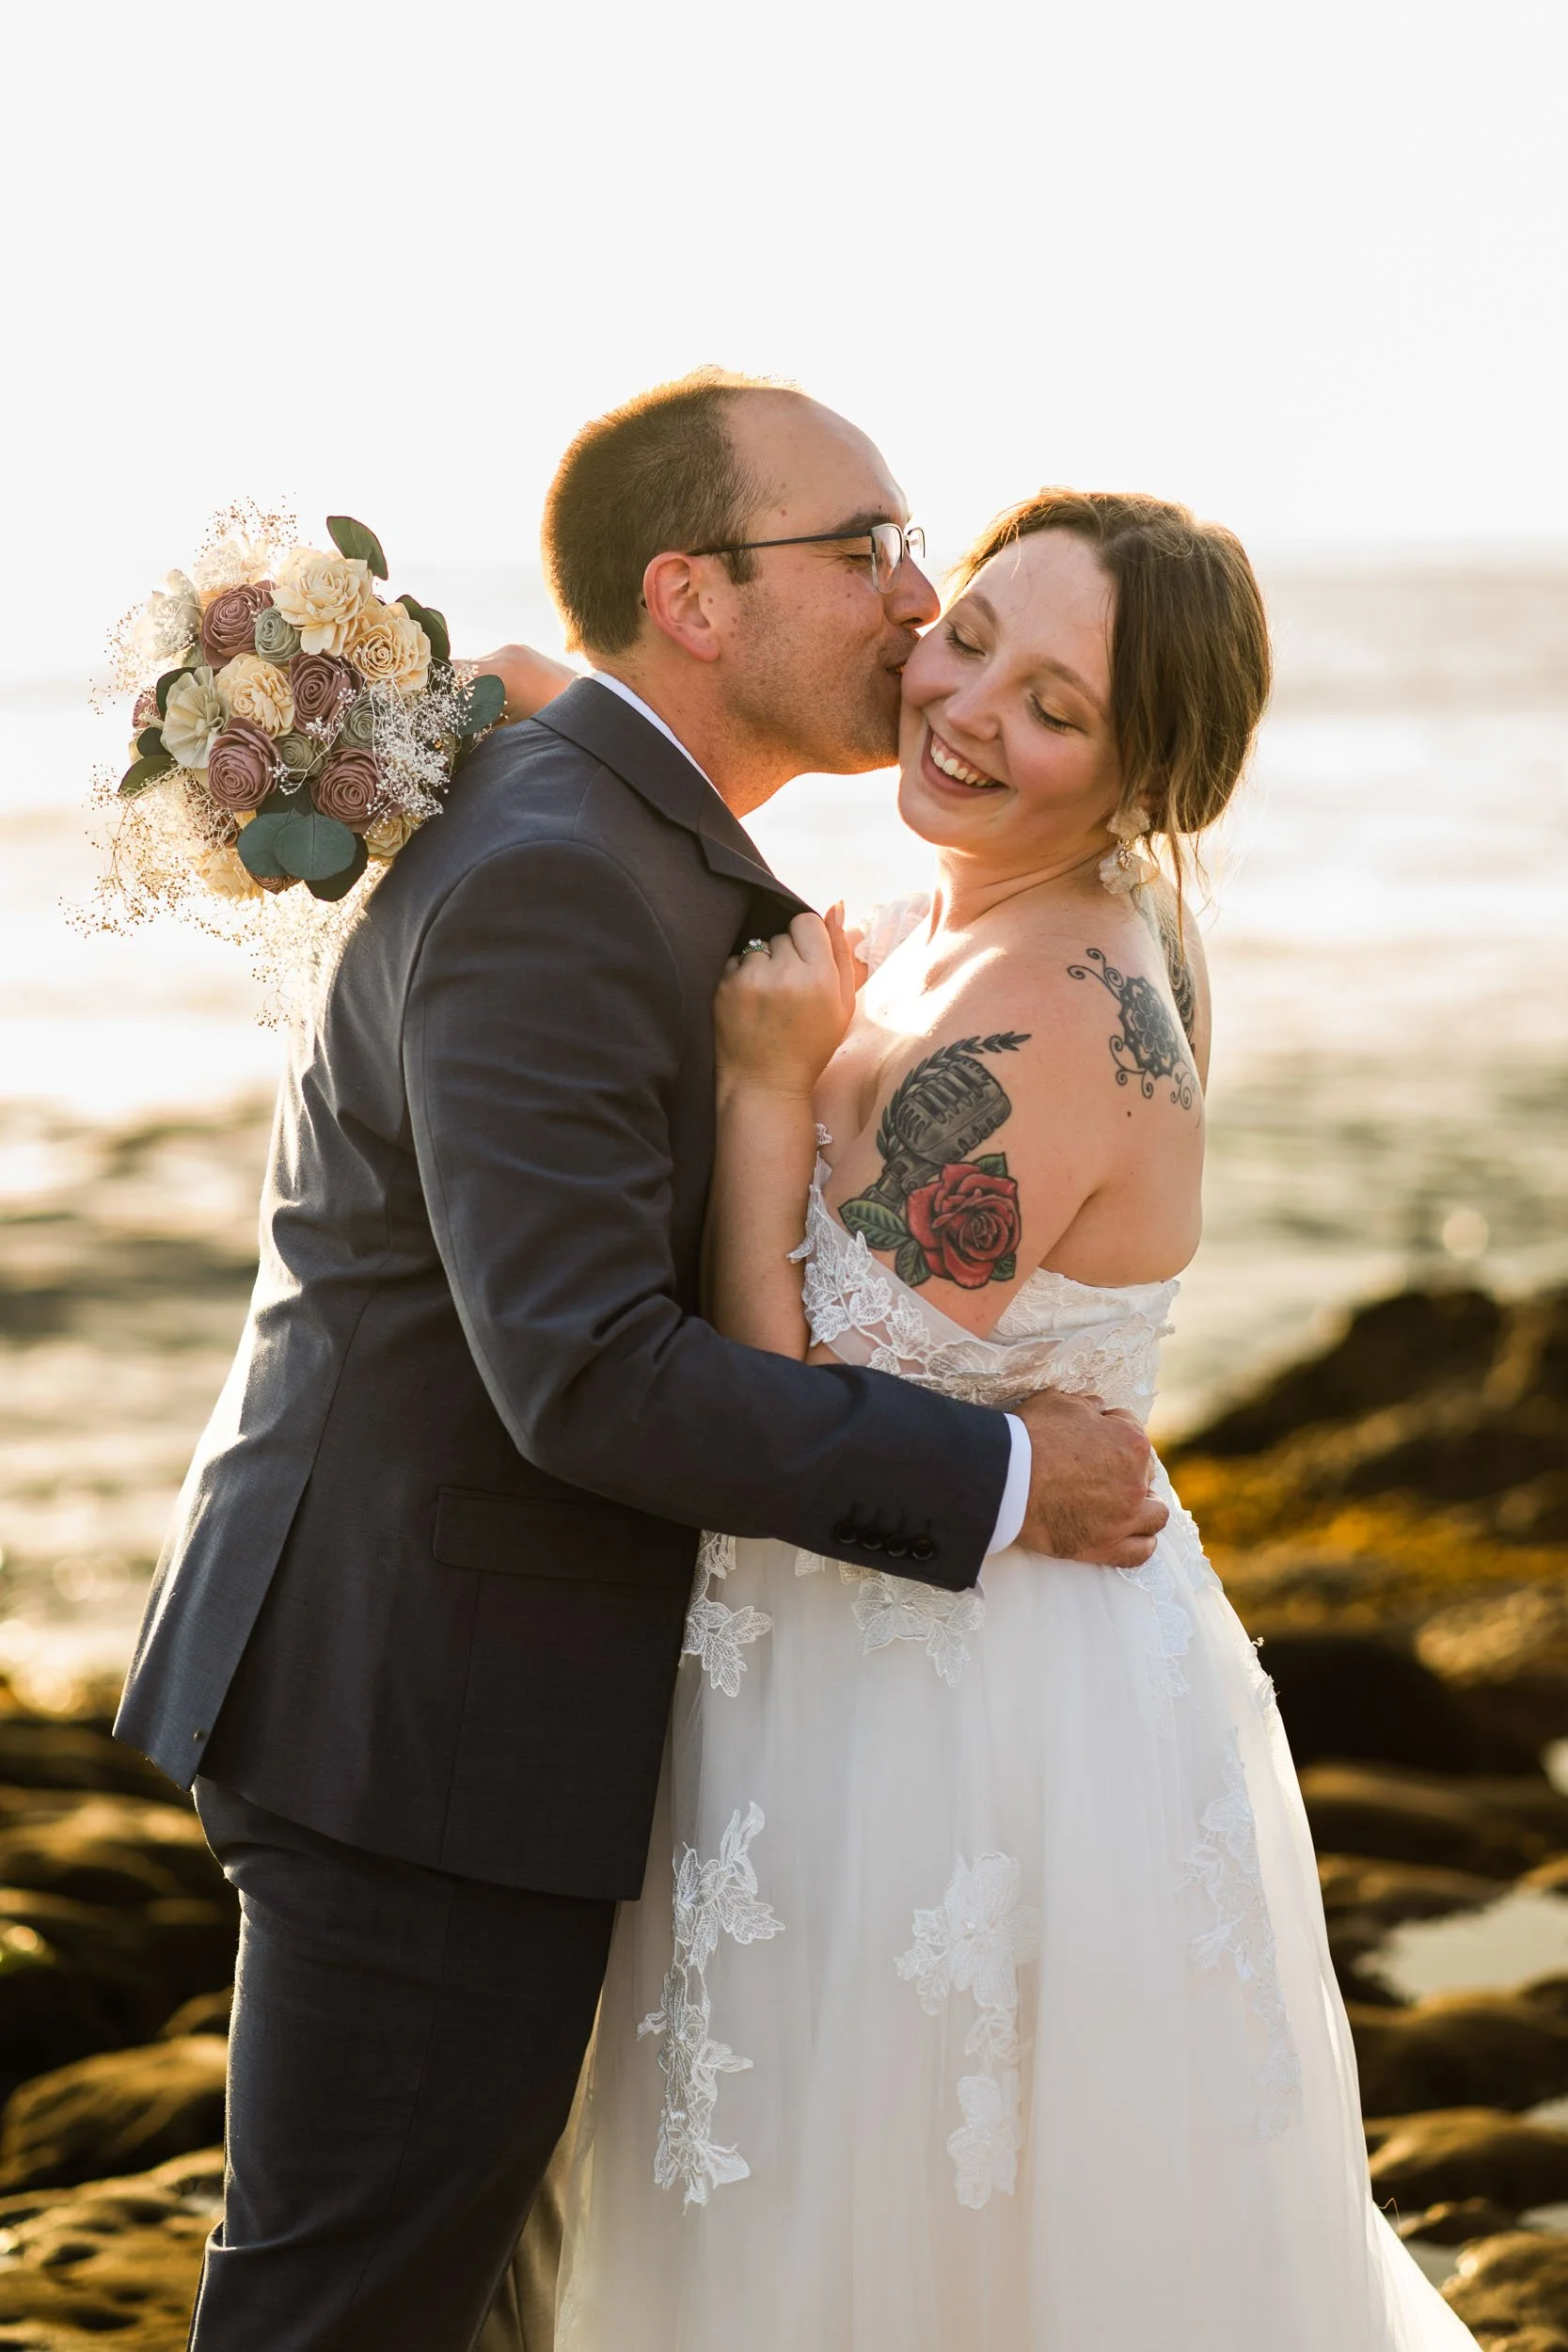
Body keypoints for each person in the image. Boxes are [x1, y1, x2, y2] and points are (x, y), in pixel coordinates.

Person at [110, 373, 1165, 2352]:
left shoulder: (604, 820)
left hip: (458, 1698)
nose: (910, 596)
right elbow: (585, 1372)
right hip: (421, 1717)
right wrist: (1009, 1477)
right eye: (862, 550)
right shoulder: (556, 865)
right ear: (692, 594)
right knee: (347, 2314)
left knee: (460, 2305)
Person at [503, 492, 1481, 2347]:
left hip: (964, 1719)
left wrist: (764, 1086)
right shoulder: (934, 918)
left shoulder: (1052, 1011)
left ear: (1140, 778)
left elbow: (796, 1405)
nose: (963, 707)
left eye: (1053, 706)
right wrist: (535, 697)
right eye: (967, 635)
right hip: (857, 1664)